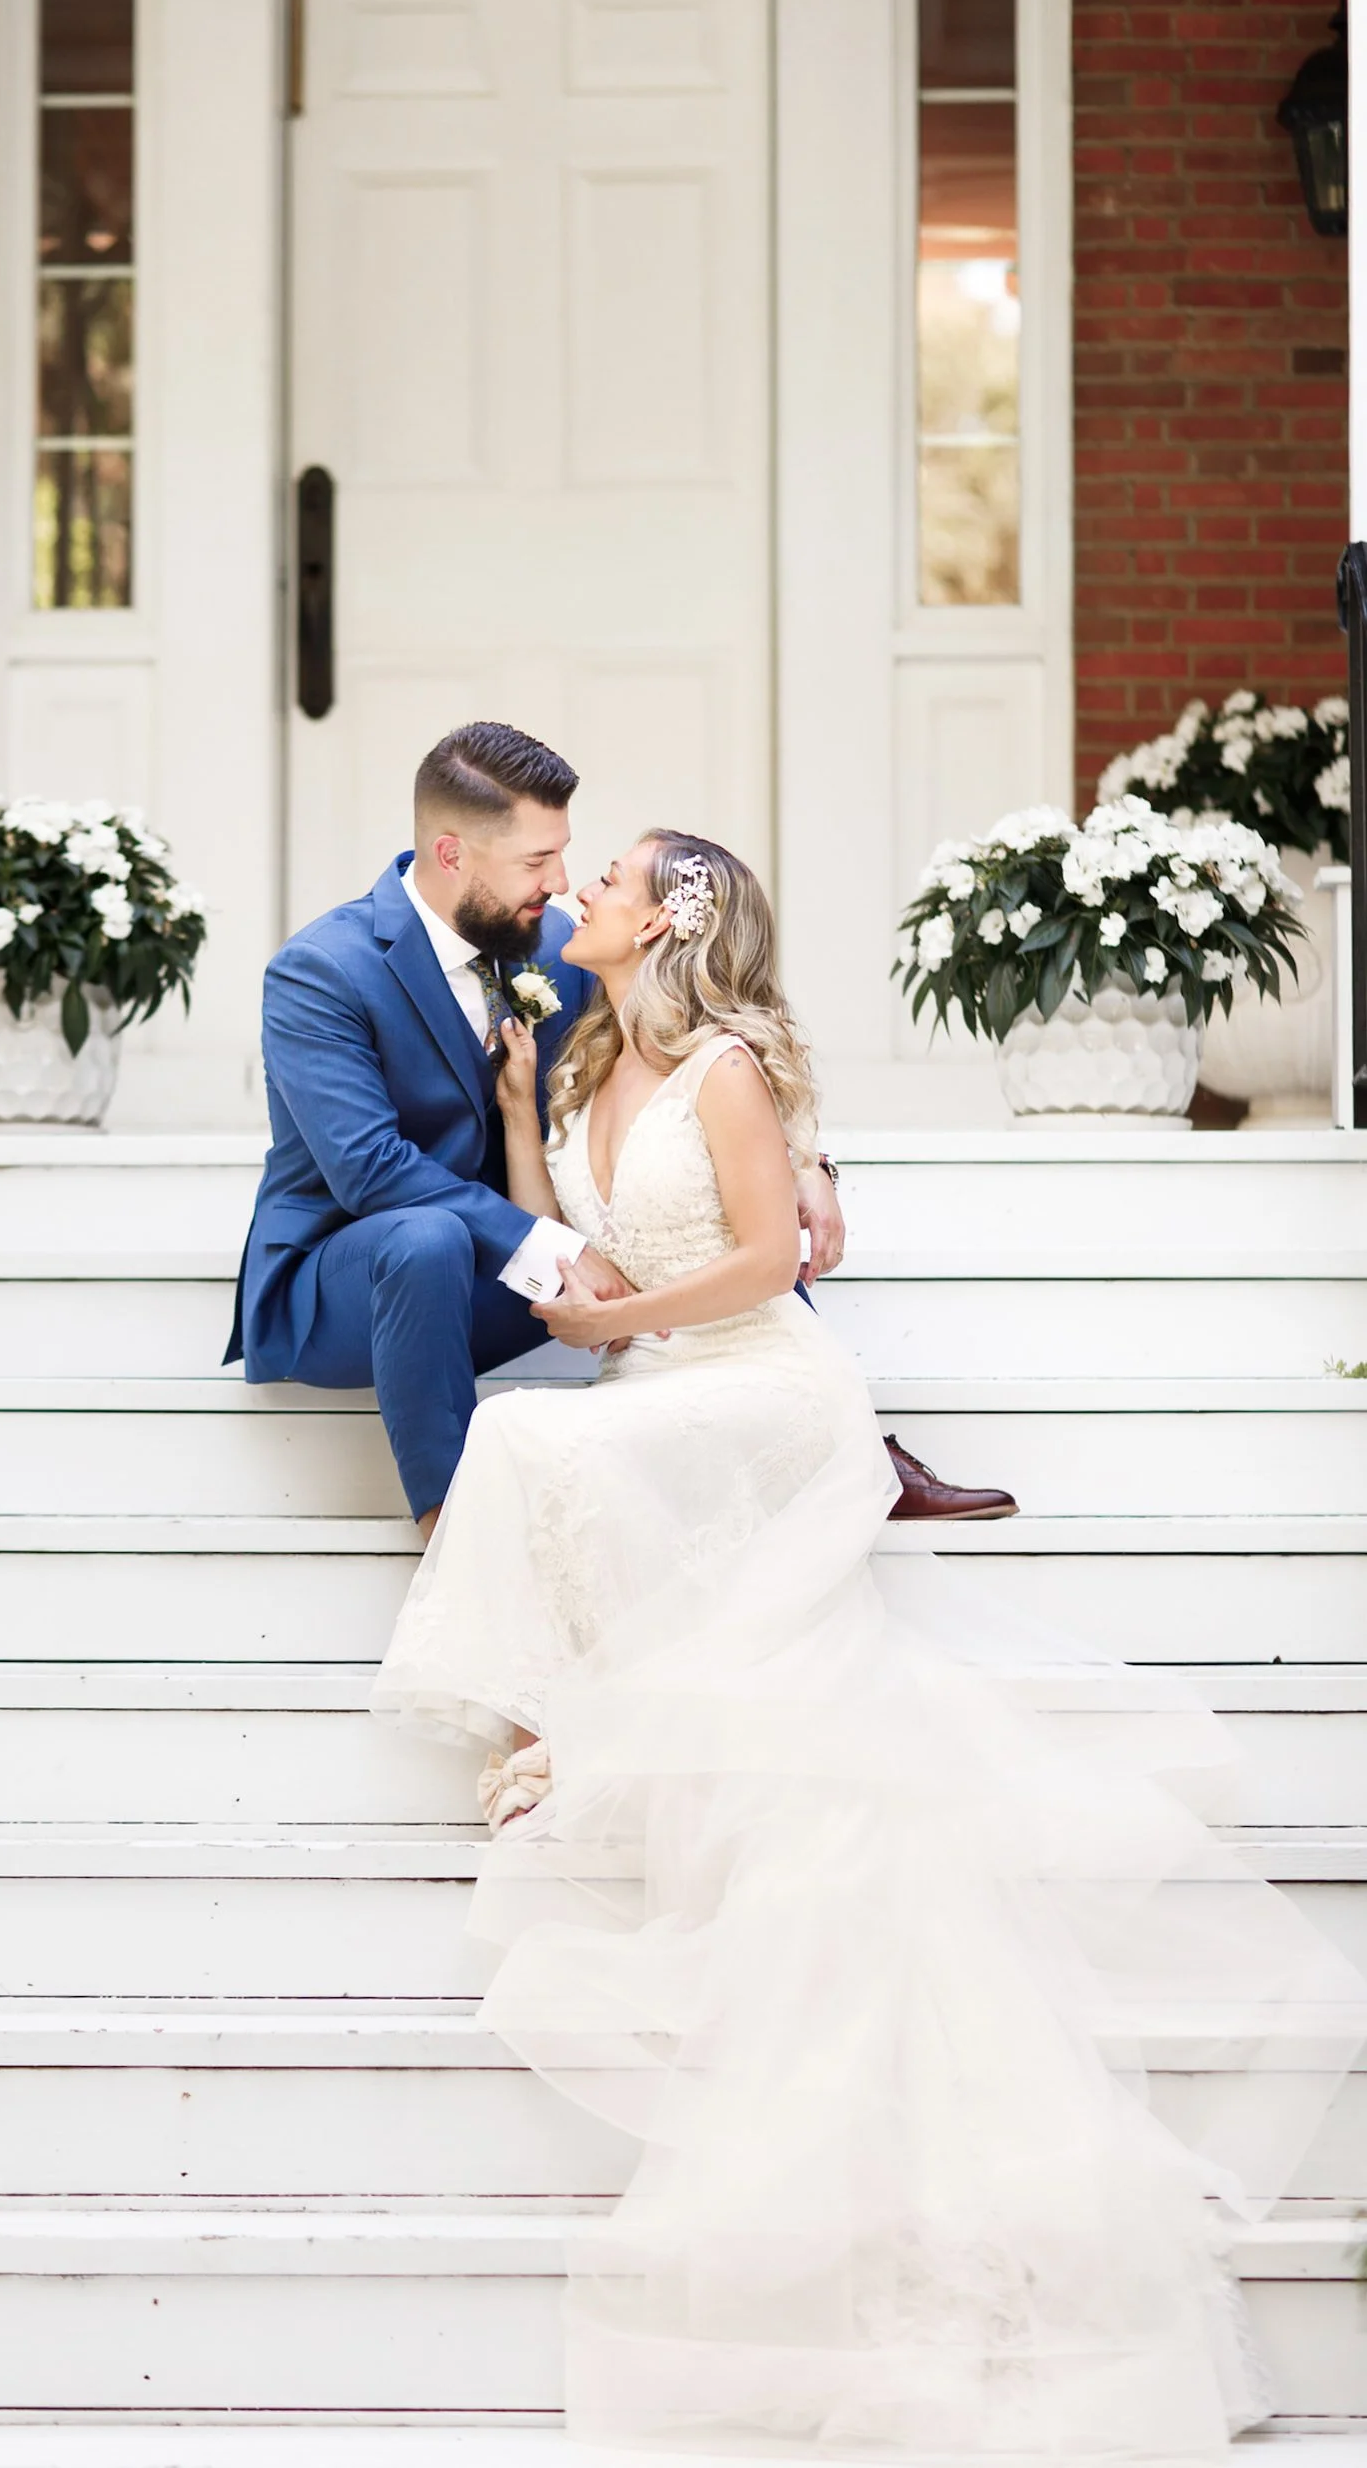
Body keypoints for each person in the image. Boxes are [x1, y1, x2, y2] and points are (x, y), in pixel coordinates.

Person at [370, 830, 1367, 2460]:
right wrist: (505, 1112)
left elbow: (765, 1265)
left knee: (537, 1445)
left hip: (761, 1387)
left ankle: (552, 1729)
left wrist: (609, 1334)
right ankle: (561, 1724)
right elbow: (561, 1224)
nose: (583, 900)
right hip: (658, 1382)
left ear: (673, 921)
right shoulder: (587, 1056)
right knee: (544, 1444)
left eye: (609, 882)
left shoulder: (733, 1072)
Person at [226, 719, 1013, 1533]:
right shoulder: (322, 969)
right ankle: (450, 1524)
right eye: (536, 861)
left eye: (564, 853)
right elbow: (369, 1170)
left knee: (701, 1202)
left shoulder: (557, 945)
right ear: (452, 853)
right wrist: (561, 1248)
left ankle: (849, 1446)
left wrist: (803, 1159)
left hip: (503, 1266)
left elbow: (696, 1059)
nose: (562, 882)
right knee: (424, 1238)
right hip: (351, 1282)